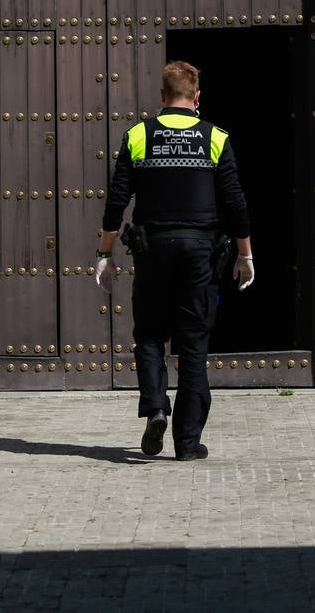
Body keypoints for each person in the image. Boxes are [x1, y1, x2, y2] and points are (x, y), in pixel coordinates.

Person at [96, 61, 254, 462]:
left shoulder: (138, 135)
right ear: (196, 97)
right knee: (194, 344)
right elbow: (235, 202)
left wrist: (104, 252)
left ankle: (154, 408)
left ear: (162, 97)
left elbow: (117, 201)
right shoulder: (215, 137)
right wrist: (245, 253)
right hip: (200, 251)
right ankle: (187, 443)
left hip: (153, 249)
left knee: (149, 334)